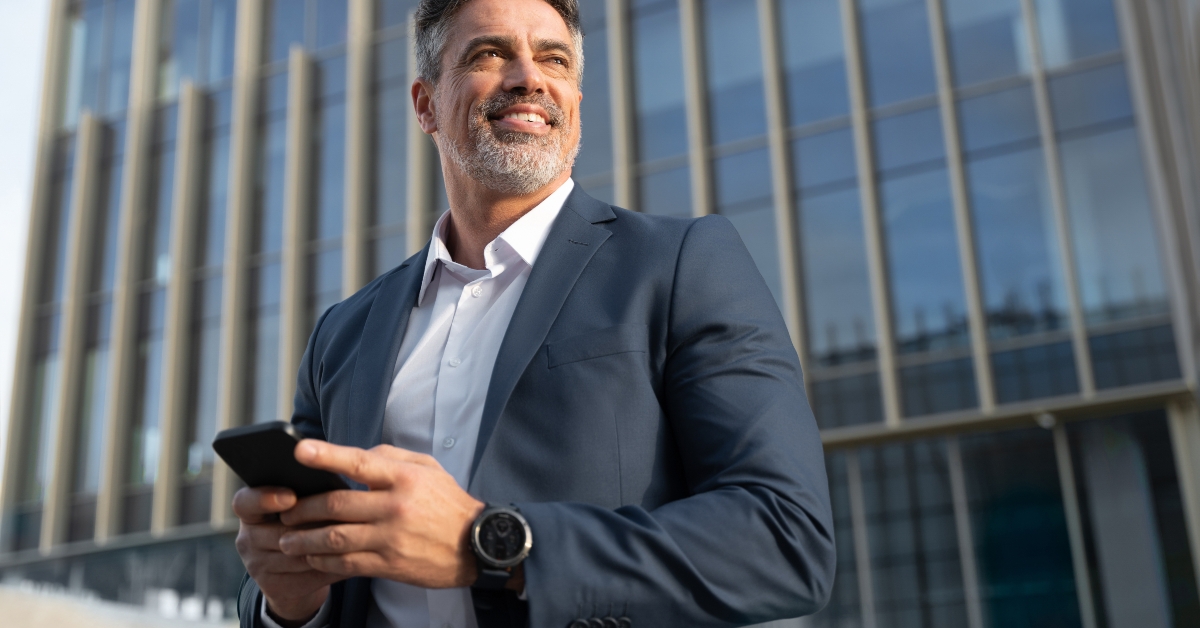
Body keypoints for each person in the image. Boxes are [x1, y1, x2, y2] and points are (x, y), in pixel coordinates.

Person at [232, 0, 835, 626]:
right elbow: (282, 584)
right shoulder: (343, 332)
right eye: (489, 54)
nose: (529, 77)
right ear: (426, 104)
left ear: (574, 100)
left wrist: (491, 542)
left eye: (554, 58)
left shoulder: (682, 264)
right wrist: (287, 605)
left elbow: (785, 538)